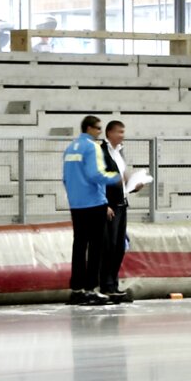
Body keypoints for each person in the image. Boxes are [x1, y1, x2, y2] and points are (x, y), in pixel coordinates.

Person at [61, 111, 116, 301]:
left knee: (79, 245)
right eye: (98, 128)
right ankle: (91, 288)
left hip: (77, 205)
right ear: (89, 128)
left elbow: (65, 178)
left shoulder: (70, 148)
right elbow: (95, 175)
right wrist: (116, 178)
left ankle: (76, 289)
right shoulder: (93, 147)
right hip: (94, 203)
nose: (100, 132)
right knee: (95, 247)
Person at [96, 114, 133, 302]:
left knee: (119, 246)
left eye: (123, 132)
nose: (122, 135)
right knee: (108, 246)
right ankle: (106, 285)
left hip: (121, 204)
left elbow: (122, 178)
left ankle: (113, 284)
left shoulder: (119, 152)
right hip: (109, 206)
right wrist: (103, 203)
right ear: (109, 133)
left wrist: (133, 185)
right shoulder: (101, 152)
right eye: (119, 132)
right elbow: (97, 179)